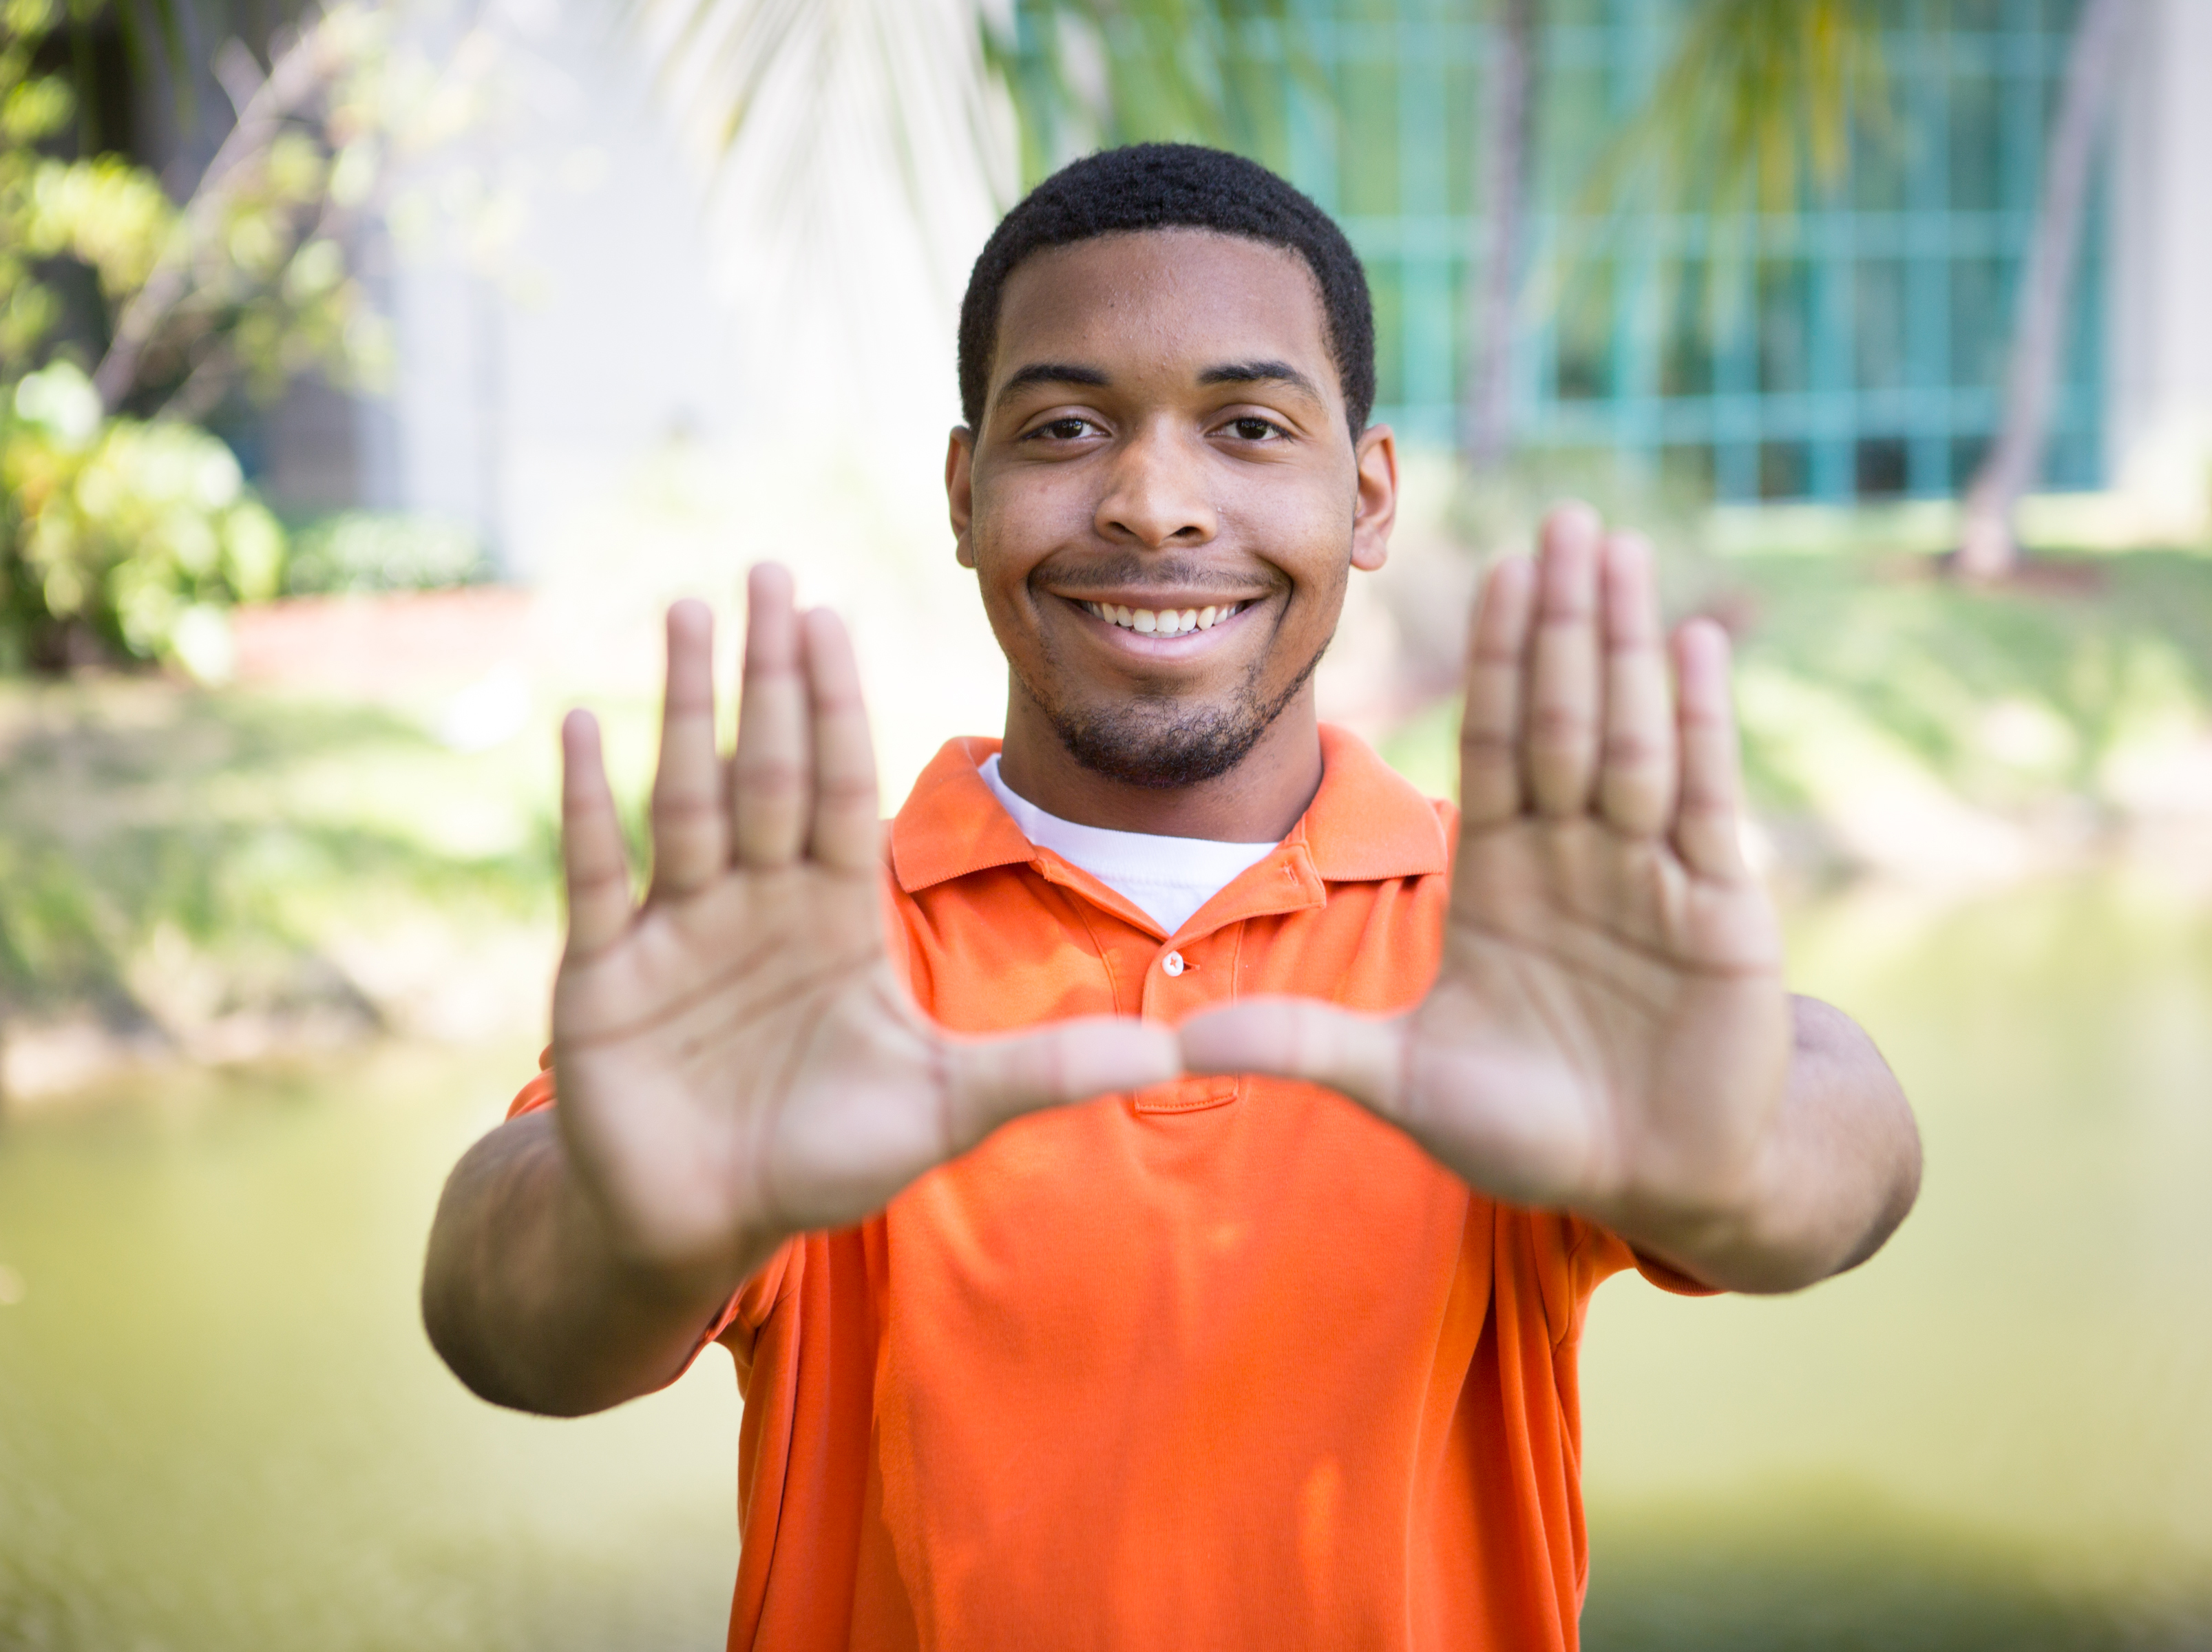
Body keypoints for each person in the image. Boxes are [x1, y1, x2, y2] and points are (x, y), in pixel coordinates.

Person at [420, 142, 1921, 1650]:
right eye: (1066, 427)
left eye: (1249, 426)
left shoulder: (1507, 938)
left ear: (1368, 493)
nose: (1151, 503)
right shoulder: (813, 963)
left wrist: (1720, 1161)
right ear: (963, 492)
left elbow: (1842, 1129)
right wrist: (642, 1228)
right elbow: (502, 1312)